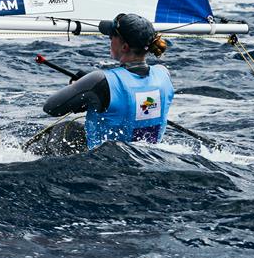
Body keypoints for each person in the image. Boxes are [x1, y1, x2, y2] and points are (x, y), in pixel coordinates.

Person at [29, 13, 174, 156]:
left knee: (65, 128)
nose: (109, 40)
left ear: (124, 47)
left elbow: (51, 108)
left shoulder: (99, 80)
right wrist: (90, 87)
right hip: (149, 157)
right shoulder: (163, 74)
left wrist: (84, 88)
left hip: (106, 163)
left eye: (112, 36)